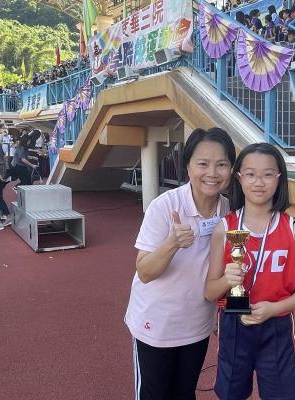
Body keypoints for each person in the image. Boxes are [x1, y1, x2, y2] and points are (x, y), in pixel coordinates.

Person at [125, 128, 236, 400]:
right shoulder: (165, 206)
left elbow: (229, 269)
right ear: (188, 166)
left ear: (231, 169)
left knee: (185, 394)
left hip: (197, 324)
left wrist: (229, 313)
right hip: (156, 324)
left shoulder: (229, 212)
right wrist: (172, 243)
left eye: (221, 164)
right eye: (203, 164)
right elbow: (144, 271)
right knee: (154, 394)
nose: (212, 173)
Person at [205, 143, 295, 400]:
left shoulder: (293, 230)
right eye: (251, 174)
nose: (258, 182)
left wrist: (273, 309)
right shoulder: (225, 229)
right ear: (239, 178)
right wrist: (227, 280)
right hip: (234, 321)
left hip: (276, 324)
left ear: (279, 178)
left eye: (267, 174)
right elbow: (210, 291)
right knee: (231, 395)